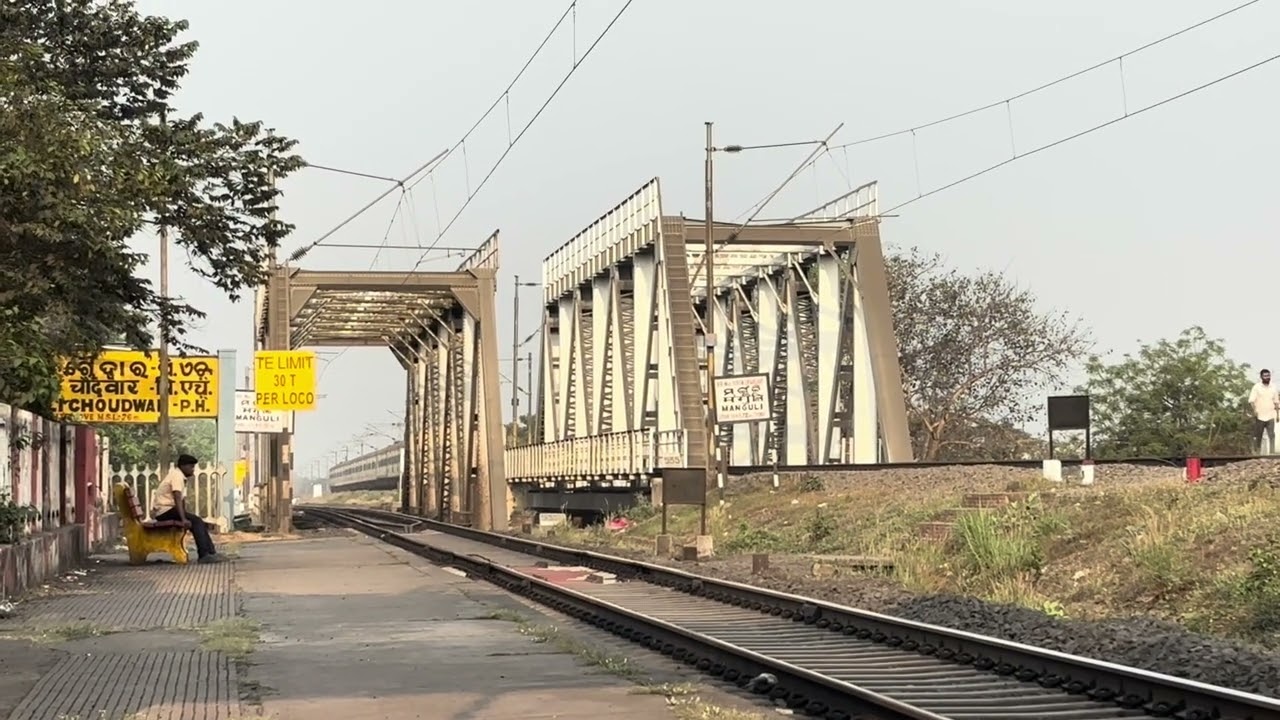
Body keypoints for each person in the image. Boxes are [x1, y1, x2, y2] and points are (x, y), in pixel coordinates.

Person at [152, 454, 222, 563]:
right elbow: (177, 497)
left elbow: (182, 499)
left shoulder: (180, 476)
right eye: (191, 467)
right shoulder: (177, 476)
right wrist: (183, 518)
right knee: (197, 522)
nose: (193, 470)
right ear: (183, 466)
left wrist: (184, 515)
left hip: (168, 510)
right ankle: (204, 555)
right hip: (164, 511)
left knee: (197, 521)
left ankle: (211, 552)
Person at [1248, 369, 1280, 455]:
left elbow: (1276, 401)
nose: (1267, 377)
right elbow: (1251, 401)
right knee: (1259, 435)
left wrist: (1277, 415)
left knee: (1272, 435)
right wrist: (1254, 410)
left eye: (1268, 376)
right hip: (1260, 415)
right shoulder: (1257, 387)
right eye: (1265, 376)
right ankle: (1257, 451)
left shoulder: (1273, 387)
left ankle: (1272, 452)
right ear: (1261, 377)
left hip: (1270, 414)